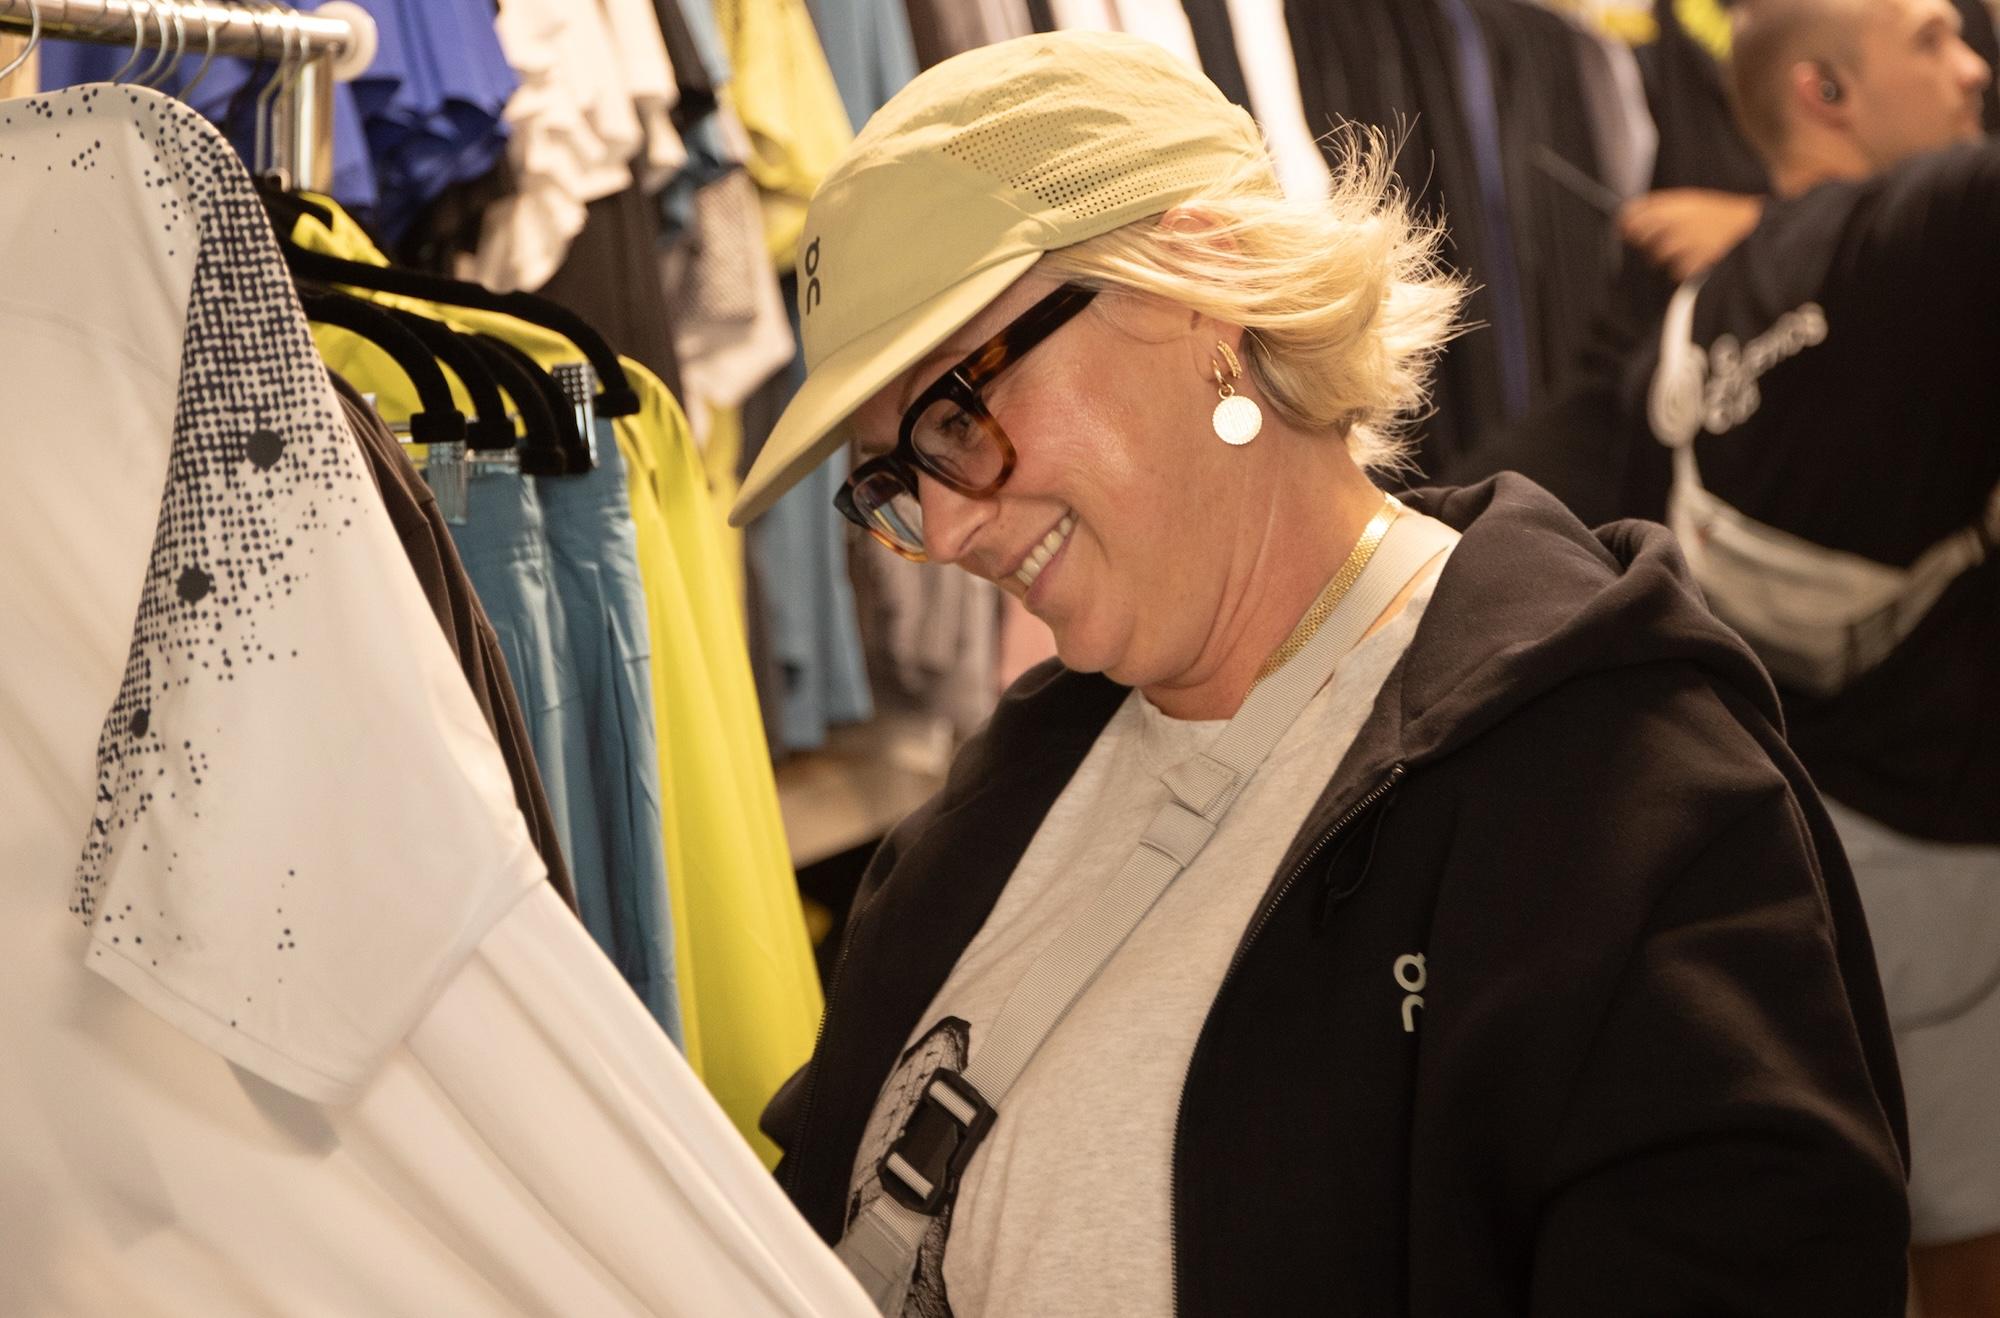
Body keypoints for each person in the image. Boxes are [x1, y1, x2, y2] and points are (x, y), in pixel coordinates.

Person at [728, 31, 1909, 1317]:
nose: (943, 532)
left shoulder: (1622, 801)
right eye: (893, 479)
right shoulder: (993, 807)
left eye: (956, 416)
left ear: (1200, 282)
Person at [1625, 3, 2000, 1314]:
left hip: (1780, 854)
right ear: (1827, 89)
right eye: (1937, 38)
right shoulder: (1935, 230)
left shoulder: (1699, 319)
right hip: (1956, 871)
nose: (1974, 68)